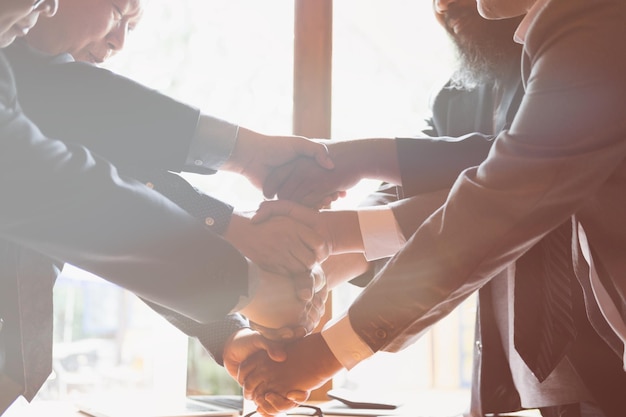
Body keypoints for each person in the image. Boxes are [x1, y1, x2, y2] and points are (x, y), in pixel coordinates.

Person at [238, 0, 626, 416]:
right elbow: (404, 191)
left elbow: (496, 198)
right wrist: (317, 267)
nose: (443, 3)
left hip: (597, 355)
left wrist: (324, 352)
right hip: (515, 380)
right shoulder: (455, 97)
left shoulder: (588, 29)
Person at [0, 1, 329, 414]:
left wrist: (228, 327)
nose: (46, 4)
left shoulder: (24, 84)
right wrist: (250, 277)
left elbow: (120, 197)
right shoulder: (34, 95)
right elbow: (73, 195)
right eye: (118, 12)